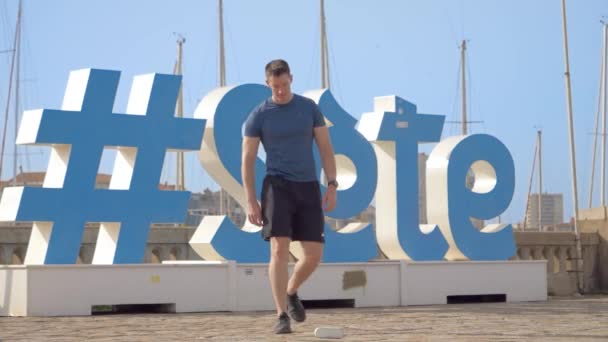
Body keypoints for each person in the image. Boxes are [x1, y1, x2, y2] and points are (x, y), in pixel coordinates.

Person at [242, 59, 338, 334]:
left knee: (314, 255)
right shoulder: (259, 115)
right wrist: (251, 199)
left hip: (307, 186)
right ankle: (281, 315)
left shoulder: (309, 109)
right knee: (279, 249)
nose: (281, 91)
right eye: (275, 86)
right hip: (277, 186)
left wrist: (332, 184)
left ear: (291, 79)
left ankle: (291, 291)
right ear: (267, 84)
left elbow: (326, 148)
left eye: (284, 85)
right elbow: (247, 160)